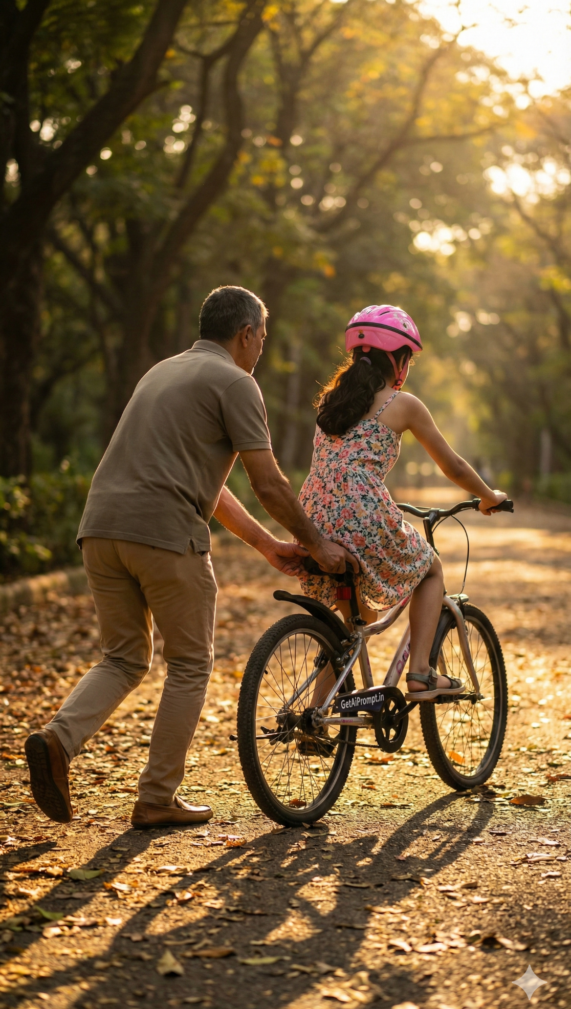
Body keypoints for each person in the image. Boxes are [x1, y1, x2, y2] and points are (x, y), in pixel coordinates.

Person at [25, 285, 357, 829]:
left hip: (100, 529)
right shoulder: (236, 382)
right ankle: (157, 796)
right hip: (164, 533)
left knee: (124, 658)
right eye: (262, 339)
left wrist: (268, 546)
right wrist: (318, 542)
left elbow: (213, 488)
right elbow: (268, 484)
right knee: (189, 664)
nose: (261, 350)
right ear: (246, 333)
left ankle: (58, 740)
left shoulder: (161, 372)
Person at [299, 303, 507, 703]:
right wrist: (488, 496)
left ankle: (315, 716)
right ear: (397, 360)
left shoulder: (331, 403)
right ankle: (422, 675)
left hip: (313, 515)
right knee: (430, 570)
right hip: (362, 510)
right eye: (407, 358)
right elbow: (454, 465)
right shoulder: (402, 403)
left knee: (355, 623)